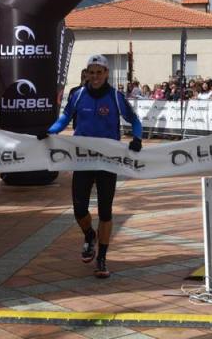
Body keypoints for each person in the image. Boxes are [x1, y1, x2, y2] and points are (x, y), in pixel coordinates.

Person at [37, 54, 143, 279]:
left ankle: (102, 259)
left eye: (99, 72)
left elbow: (135, 121)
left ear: (106, 73)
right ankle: (89, 235)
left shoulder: (115, 96)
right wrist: (51, 131)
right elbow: (64, 119)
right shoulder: (78, 95)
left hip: (107, 162)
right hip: (82, 160)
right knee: (79, 209)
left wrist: (137, 138)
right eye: (91, 72)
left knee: (105, 211)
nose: (94, 77)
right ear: (86, 73)